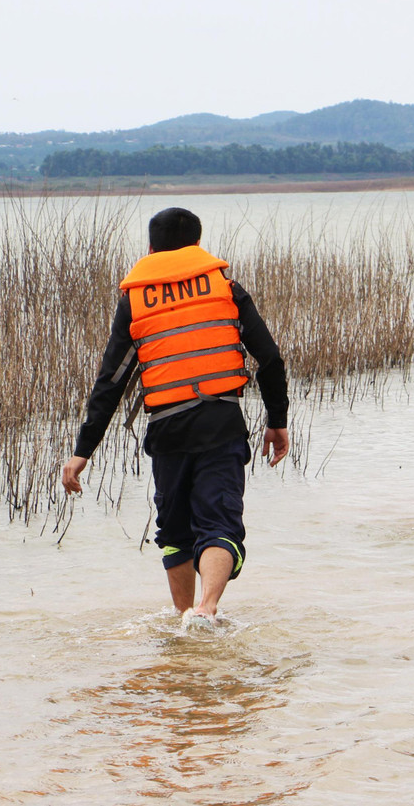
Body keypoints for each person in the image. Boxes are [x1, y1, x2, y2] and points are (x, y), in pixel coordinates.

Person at [60, 207, 289, 625]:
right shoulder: (227, 288)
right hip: (222, 422)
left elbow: (111, 381)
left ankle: (185, 618)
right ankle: (207, 608)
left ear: (150, 248)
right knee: (219, 520)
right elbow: (270, 358)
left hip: (167, 429)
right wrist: (277, 420)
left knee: (174, 533)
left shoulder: (135, 301)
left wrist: (83, 450)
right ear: (199, 246)